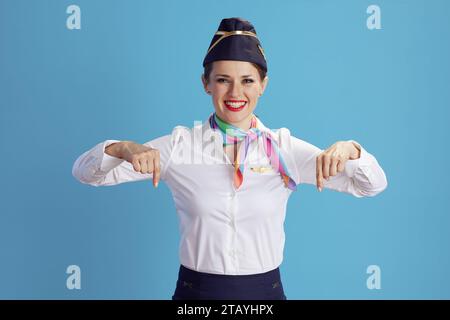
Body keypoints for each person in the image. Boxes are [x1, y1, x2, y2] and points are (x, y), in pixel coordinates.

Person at [72, 17, 388, 300]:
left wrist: (351, 150)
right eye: (223, 79)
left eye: (248, 80)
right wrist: (123, 147)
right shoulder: (180, 147)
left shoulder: (284, 149)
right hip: (195, 297)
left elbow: (370, 185)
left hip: (265, 296)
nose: (235, 92)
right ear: (206, 84)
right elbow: (86, 174)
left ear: (263, 85)